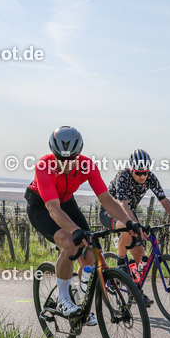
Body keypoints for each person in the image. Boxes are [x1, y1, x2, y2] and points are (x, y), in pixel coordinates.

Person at [26, 126, 140, 320]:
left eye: (71, 159)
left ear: (79, 154)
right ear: (53, 154)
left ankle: (80, 302)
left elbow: (106, 200)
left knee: (90, 254)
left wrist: (128, 221)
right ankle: (63, 300)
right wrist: (75, 230)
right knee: (69, 242)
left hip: (67, 203)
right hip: (42, 206)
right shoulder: (44, 166)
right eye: (60, 159)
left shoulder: (88, 165)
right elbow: (53, 209)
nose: (66, 164)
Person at [100, 149, 170, 303]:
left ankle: (135, 292)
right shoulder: (123, 176)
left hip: (129, 214)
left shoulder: (150, 178)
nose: (142, 176)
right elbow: (123, 205)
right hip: (112, 211)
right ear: (131, 169)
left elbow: (164, 200)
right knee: (128, 229)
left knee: (141, 255)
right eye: (139, 173)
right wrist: (136, 226)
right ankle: (120, 262)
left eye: (145, 173)